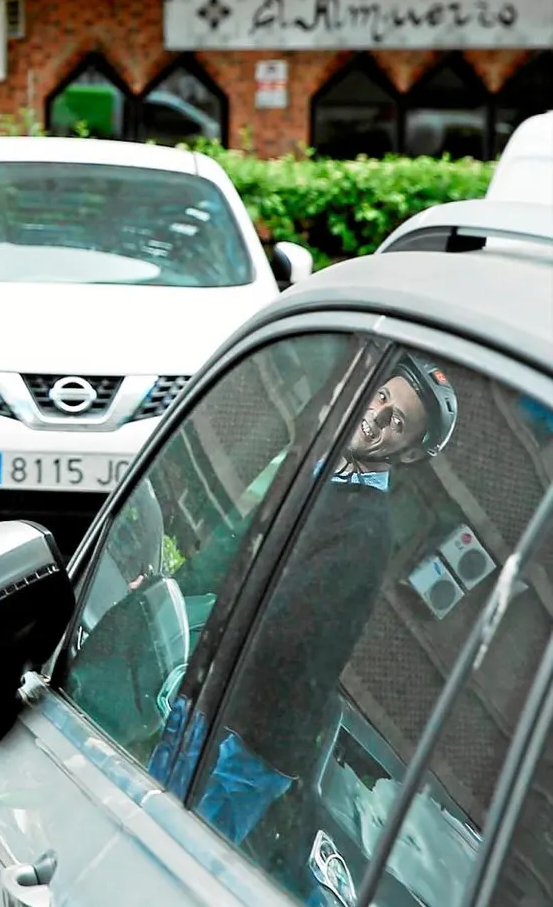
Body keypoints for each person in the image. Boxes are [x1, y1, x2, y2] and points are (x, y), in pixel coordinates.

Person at [192, 352, 459, 898]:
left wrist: (212, 685)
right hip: (212, 702)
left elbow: (286, 632)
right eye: (382, 398)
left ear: (408, 452)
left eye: (398, 422)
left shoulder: (366, 532)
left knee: (185, 863)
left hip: (249, 738)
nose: (379, 417)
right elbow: (242, 551)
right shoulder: (315, 467)